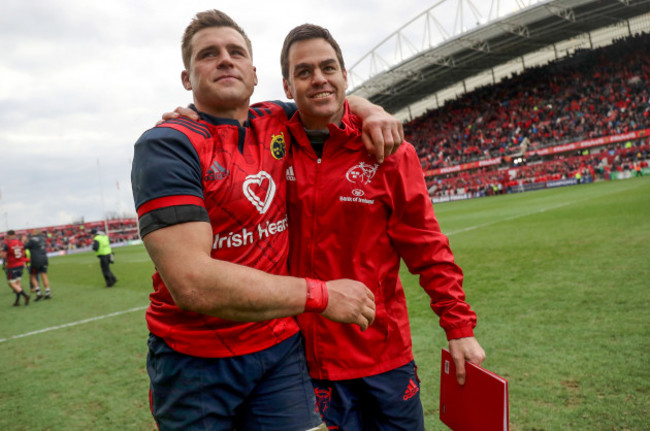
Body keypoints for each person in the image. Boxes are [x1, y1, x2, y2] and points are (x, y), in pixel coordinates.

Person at [131, 9, 401, 431]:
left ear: (255, 75)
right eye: (208, 55)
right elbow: (192, 283)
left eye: (236, 52)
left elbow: (331, 98)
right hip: (195, 360)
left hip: (279, 350)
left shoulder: (276, 120)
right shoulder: (168, 145)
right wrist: (322, 296)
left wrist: (372, 110)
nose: (225, 59)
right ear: (187, 79)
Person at [280, 24, 486, 429]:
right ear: (287, 87)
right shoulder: (269, 145)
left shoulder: (389, 151)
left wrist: (459, 327)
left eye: (329, 67)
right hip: (305, 360)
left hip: (384, 355)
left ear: (344, 77)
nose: (319, 78)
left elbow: (428, 248)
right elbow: (222, 115)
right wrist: (190, 116)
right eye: (304, 72)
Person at [1, 230, 30, 306]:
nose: (7, 238)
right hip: (20, 265)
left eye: (7, 236)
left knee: (12, 283)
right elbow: (23, 253)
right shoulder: (20, 242)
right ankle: (17, 301)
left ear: (10, 236)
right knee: (18, 283)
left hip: (12, 266)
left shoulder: (7, 244)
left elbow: (3, 256)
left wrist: (2, 252)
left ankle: (25, 295)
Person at [25, 230, 52, 300]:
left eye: (33, 232)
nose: (32, 233)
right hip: (44, 259)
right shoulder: (43, 239)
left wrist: (24, 241)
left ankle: (38, 293)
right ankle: (48, 293)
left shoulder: (31, 240)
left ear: (35, 233)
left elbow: (25, 247)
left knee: (32, 276)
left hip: (35, 260)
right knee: (44, 275)